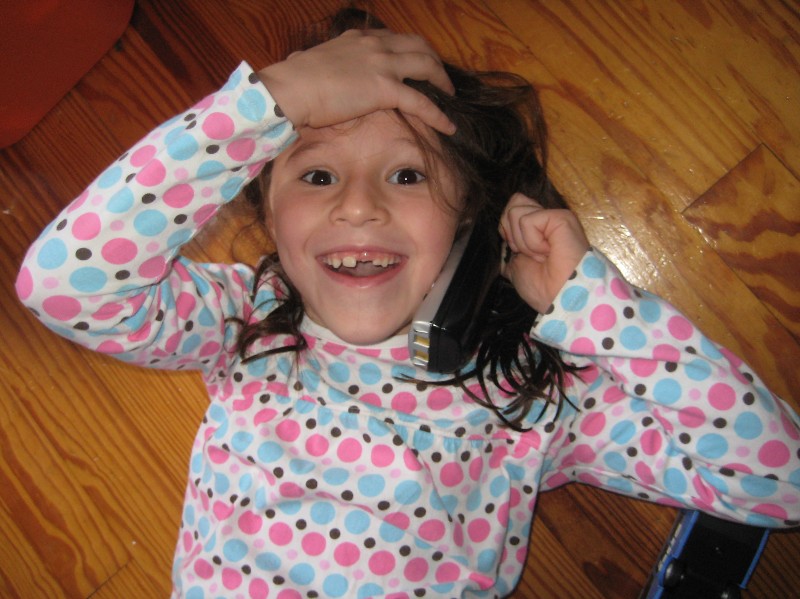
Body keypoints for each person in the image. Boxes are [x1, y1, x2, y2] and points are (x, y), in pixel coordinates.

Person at [16, 8, 800, 599]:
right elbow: (64, 285)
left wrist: (596, 307)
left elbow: (779, 481)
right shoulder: (248, 319)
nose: (358, 206)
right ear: (269, 215)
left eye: (407, 175)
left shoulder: (531, 397)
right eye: (316, 175)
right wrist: (267, 104)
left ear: (470, 217)